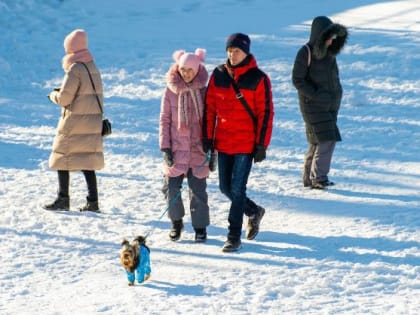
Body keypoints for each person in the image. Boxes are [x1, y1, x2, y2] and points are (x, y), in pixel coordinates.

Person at [202, 33, 274, 252]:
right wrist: (207, 137)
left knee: (237, 189)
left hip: (245, 144)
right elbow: (209, 108)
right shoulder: (218, 75)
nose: (233, 55)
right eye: (230, 51)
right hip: (223, 142)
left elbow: (266, 113)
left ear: (246, 53)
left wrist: (262, 144)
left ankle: (234, 236)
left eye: (237, 51)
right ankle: (254, 211)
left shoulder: (259, 78)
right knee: (225, 187)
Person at [43, 29, 104, 212]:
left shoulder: (75, 68)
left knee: (62, 157)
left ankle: (63, 198)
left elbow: (64, 99)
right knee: (87, 161)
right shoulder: (92, 66)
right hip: (91, 121)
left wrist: (53, 95)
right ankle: (93, 202)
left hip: (75, 121)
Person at [159, 48, 212, 243]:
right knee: (171, 188)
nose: (186, 73)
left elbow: (211, 119)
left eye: (189, 69)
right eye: (182, 69)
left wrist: (211, 144)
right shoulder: (170, 91)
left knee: (198, 189)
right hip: (176, 149)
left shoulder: (204, 92)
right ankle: (176, 222)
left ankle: (200, 226)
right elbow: (164, 120)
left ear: (197, 69)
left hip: (198, 149)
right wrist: (165, 148)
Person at [292, 16, 348, 189]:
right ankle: (319, 177)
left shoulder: (330, 54)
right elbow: (297, 80)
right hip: (312, 105)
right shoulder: (305, 52)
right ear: (319, 35)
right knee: (327, 139)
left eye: (333, 38)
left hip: (329, 105)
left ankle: (309, 178)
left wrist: (336, 95)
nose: (332, 41)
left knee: (316, 140)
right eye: (329, 37)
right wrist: (317, 95)